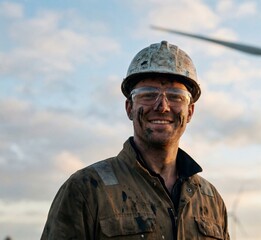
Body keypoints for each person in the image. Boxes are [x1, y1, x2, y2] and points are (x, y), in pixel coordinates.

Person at [41, 41, 230, 240]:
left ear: (189, 111)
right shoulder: (86, 189)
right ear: (129, 107)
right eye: (148, 95)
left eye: (175, 96)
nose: (162, 106)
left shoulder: (210, 199)